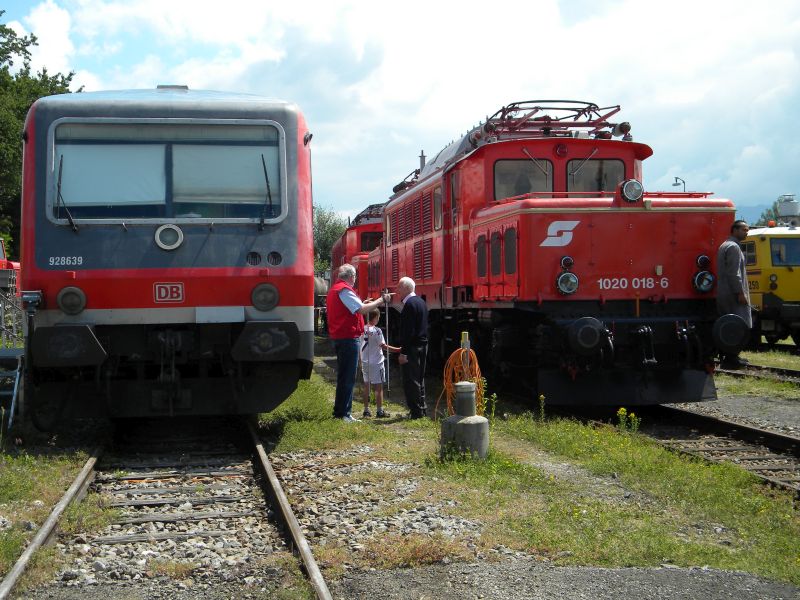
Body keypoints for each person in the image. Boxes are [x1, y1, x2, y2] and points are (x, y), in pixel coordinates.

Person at [326, 264, 391, 422]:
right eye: (354, 276)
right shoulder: (345, 290)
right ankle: (343, 413)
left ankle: (342, 411)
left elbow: (352, 306)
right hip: (348, 338)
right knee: (348, 376)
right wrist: (381, 300)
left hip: (341, 337)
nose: (355, 280)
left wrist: (363, 302)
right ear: (351, 276)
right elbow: (361, 309)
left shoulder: (335, 289)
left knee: (345, 376)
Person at [385, 277, 428, 419]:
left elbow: (407, 332)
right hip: (423, 345)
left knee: (410, 380)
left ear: (405, 288)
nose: (396, 291)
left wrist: (403, 353)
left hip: (412, 348)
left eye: (398, 288)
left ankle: (415, 412)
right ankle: (422, 408)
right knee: (420, 378)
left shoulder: (409, 305)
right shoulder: (421, 302)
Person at [716, 219, 752, 368]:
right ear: (734, 230)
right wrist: (740, 292)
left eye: (747, 230)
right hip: (732, 293)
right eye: (744, 229)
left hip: (723, 291)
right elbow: (734, 273)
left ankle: (730, 356)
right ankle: (732, 358)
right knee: (738, 324)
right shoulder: (733, 248)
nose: (746, 232)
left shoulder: (724, 245)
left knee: (728, 325)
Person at [360, 309, 389, 418]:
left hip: (365, 361)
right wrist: (398, 350)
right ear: (376, 317)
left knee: (366, 385)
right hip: (377, 362)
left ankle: (366, 410)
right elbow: (383, 346)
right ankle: (379, 410)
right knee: (378, 387)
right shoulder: (377, 331)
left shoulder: (362, 329)